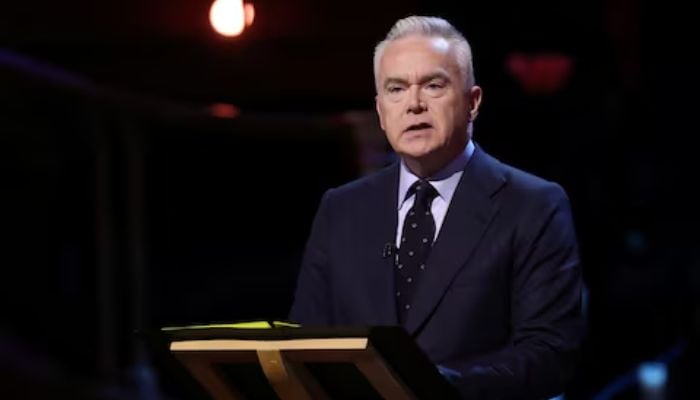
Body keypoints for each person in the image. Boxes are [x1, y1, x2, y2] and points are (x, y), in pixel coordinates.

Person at [289, 15, 584, 400]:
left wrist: (428, 386)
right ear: (380, 112)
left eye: (433, 85)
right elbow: (304, 345)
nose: (413, 104)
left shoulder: (534, 205)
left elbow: (548, 356)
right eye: (396, 89)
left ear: (472, 102)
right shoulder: (340, 209)